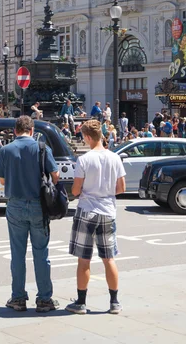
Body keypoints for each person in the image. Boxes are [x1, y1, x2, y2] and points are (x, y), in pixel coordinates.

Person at [0, 115, 60, 313]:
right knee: (41, 253)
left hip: (15, 205)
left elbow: (3, 182)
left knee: (17, 254)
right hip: (38, 206)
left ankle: (18, 298)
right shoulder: (42, 148)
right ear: (32, 131)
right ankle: (44, 299)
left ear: (15, 131)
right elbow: (55, 177)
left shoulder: (5, 150)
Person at [66, 120, 126, 315]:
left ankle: (81, 302)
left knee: (84, 260)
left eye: (84, 137)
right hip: (108, 210)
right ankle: (114, 302)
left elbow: (75, 190)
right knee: (109, 258)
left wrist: (82, 191)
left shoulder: (84, 160)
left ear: (89, 137)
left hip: (86, 210)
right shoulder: (114, 158)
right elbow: (121, 188)